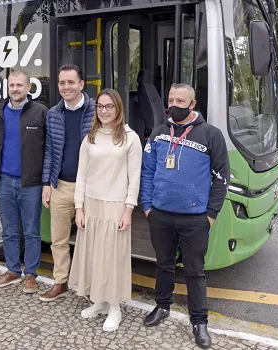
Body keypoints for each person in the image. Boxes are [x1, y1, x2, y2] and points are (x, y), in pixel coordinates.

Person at [140, 83, 229, 348]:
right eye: (171, 100)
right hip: (160, 215)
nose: (175, 105)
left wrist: (210, 214)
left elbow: (222, 178)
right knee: (163, 264)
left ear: (193, 105)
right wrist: (147, 206)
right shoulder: (157, 134)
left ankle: (199, 321)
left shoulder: (211, 135)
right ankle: (162, 305)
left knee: (195, 271)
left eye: (181, 101)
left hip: (195, 218)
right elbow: (146, 172)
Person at [69, 88, 142, 332]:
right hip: (91, 204)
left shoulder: (130, 138)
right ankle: (99, 300)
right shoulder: (90, 137)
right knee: (94, 255)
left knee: (112, 258)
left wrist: (128, 210)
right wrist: (78, 208)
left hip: (116, 205)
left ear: (118, 108)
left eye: (109, 106)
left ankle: (114, 307)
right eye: (100, 106)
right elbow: (81, 175)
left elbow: (135, 178)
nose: (104, 110)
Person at [0, 70, 48, 294]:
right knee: (9, 230)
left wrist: (45, 181)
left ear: (28, 88)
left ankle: (31, 274)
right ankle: (13, 270)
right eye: (12, 85)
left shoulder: (40, 113)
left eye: (19, 85)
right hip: (4, 181)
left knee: (32, 231)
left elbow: (49, 147)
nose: (15, 89)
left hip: (30, 183)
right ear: (7, 87)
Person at [40, 64, 94, 302]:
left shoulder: (97, 111)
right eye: (62, 83)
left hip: (91, 188)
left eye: (71, 82)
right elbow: (50, 150)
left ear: (81, 84)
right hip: (60, 185)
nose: (66, 87)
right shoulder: (54, 114)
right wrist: (46, 183)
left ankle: (91, 287)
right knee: (59, 239)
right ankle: (60, 282)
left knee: (90, 240)